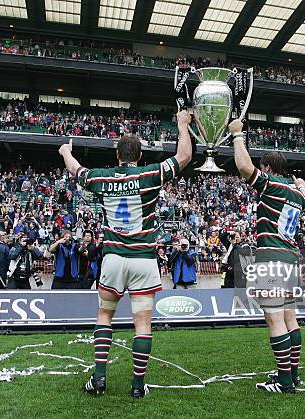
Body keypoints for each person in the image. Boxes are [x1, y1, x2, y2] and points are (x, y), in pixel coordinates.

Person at [59, 109, 192, 398]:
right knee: (142, 323)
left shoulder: (102, 178)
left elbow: (75, 170)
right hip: (144, 258)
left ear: (117, 155)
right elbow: (183, 157)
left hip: (114, 258)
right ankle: (136, 385)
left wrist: (65, 151)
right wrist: (182, 125)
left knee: (105, 315)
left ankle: (99, 379)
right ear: (139, 156)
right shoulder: (149, 173)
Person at [231, 118, 305, 393]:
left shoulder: (272, 185)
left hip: (271, 260)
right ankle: (294, 375)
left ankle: (284, 382)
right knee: (290, 318)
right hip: (290, 260)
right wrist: (300, 184)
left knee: (275, 319)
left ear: (267, 168)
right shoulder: (298, 196)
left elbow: (243, 167)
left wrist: (237, 135)